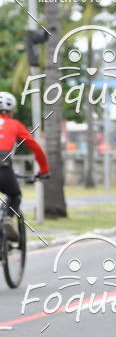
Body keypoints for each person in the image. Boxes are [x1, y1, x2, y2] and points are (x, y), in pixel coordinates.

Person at [0, 92, 50, 240]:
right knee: (15, 195)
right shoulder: (15, 124)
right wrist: (44, 170)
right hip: (3, 168)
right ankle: (7, 218)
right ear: (11, 110)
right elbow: (36, 148)